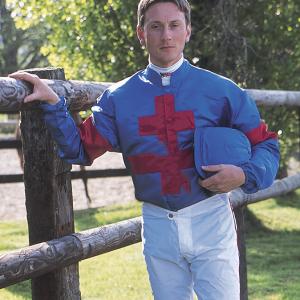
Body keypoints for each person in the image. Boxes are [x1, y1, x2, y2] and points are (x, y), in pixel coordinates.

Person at [9, 0, 280, 299]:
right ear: (141, 33)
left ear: (188, 30)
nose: (166, 35)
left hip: (211, 219)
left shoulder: (222, 90)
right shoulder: (119, 97)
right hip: (157, 224)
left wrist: (243, 174)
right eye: (156, 26)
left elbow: (266, 144)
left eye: (174, 25)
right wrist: (53, 105)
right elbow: (80, 149)